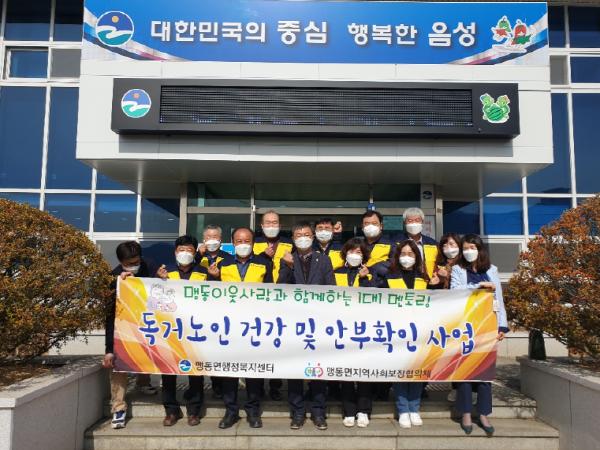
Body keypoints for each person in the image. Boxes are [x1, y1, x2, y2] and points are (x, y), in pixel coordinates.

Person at [278, 221, 335, 431]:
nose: (303, 238)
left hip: (318, 322)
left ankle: (318, 412)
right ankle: (298, 412)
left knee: (317, 369)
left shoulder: (324, 259)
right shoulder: (287, 259)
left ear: (313, 237)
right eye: (298, 235)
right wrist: (288, 266)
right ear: (293, 239)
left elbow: (332, 289)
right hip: (294, 323)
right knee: (295, 369)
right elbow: (281, 288)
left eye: (307, 234)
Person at [450, 234, 508, 437]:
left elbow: (499, 298)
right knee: (465, 371)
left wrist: (502, 326)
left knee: (485, 373)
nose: (469, 251)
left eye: (472, 247)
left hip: (487, 326)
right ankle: (466, 413)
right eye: (465, 248)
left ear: (480, 249)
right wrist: (478, 286)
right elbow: (455, 291)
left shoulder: (491, 270)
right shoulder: (458, 269)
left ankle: (483, 414)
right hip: (465, 326)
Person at [217, 227, 274, 429]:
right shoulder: (222, 264)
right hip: (229, 326)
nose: (243, 244)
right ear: (233, 243)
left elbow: (271, 293)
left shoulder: (263, 263)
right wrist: (213, 277)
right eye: (239, 241)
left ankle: (253, 411)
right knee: (229, 370)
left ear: (253, 243)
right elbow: (212, 294)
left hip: (254, 325)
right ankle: (230, 411)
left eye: (247, 241)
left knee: (253, 370)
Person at [377, 239, 435, 429]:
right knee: (401, 372)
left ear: (417, 257)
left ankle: (414, 409)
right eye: (403, 254)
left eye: (410, 254)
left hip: (419, 332)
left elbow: (436, 303)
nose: (406, 257)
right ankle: (403, 409)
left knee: (417, 372)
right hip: (397, 332)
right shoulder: (389, 277)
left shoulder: (424, 278)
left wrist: (436, 285)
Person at [103, 241, 158, 429]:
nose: (135, 265)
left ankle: (143, 382)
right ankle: (118, 407)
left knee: (148, 354)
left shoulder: (149, 266)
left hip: (147, 324)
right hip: (123, 328)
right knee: (118, 365)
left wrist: (160, 277)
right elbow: (110, 316)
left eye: (137, 261)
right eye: (130, 263)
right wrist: (109, 349)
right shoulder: (114, 279)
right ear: (121, 262)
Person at [156, 235, 209, 427]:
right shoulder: (165, 272)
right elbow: (154, 297)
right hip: (170, 329)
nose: (185, 253)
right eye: (181, 250)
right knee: (168, 371)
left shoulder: (204, 272)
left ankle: (194, 411)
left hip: (195, 329)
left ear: (195, 252)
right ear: (175, 252)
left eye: (189, 250)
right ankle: (171, 410)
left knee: (195, 372)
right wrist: (159, 281)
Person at [334, 238, 374, 428]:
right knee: (346, 372)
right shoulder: (336, 273)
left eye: (359, 252)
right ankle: (349, 410)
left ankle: (364, 410)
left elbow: (373, 299)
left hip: (364, 328)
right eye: (351, 251)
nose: (354, 255)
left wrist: (365, 279)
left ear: (364, 256)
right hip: (341, 328)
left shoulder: (371, 275)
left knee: (364, 372)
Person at [252, 209, 291, 401]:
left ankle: (276, 386)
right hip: (259, 300)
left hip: (283, 300)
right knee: (259, 345)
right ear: (261, 225)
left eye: (275, 222)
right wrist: (263, 256)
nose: (271, 226)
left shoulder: (289, 243)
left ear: (280, 225)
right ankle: (257, 386)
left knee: (278, 344)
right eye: (268, 222)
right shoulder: (253, 242)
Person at [197, 224, 231, 399]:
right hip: (201, 309)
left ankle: (221, 385)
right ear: (203, 240)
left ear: (221, 239)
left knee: (221, 348)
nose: (212, 240)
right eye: (209, 237)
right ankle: (203, 386)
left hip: (222, 309)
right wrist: (198, 255)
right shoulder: (196, 258)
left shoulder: (228, 258)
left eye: (215, 237)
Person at [399, 207, 439, 280]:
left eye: (417, 220)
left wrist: (437, 277)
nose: (414, 223)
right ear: (405, 223)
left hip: (427, 282)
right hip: (403, 282)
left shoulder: (432, 243)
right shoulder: (397, 242)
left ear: (422, 222)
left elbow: (438, 264)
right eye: (410, 221)